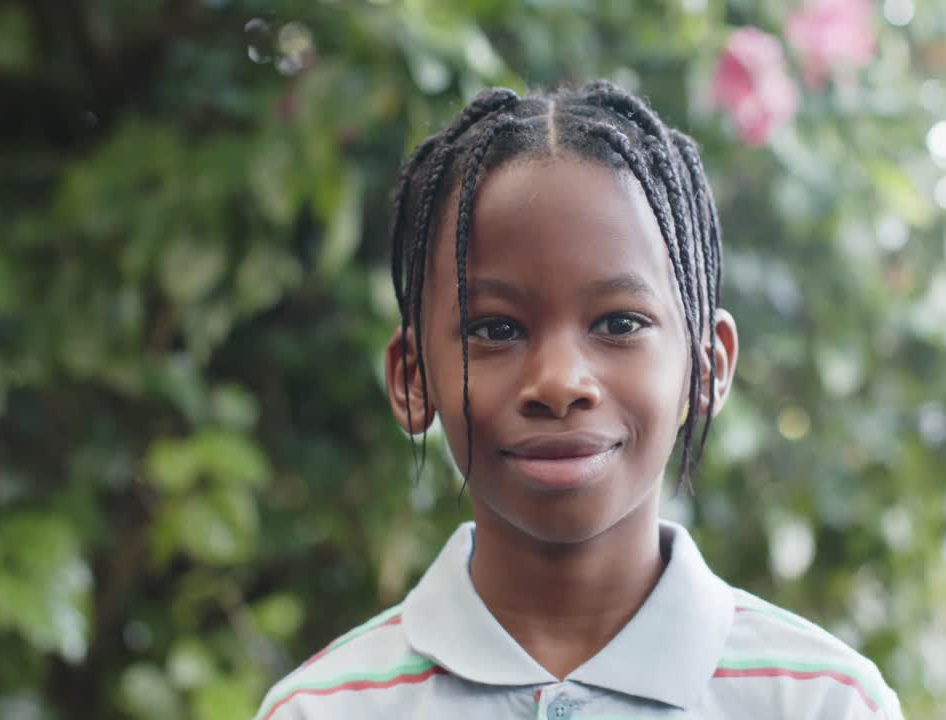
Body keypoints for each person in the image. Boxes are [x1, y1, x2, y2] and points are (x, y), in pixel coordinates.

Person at [252, 81, 904, 719]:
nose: (561, 383)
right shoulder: (322, 709)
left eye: (620, 323)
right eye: (496, 329)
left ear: (706, 366)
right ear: (413, 378)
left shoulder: (824, 702)